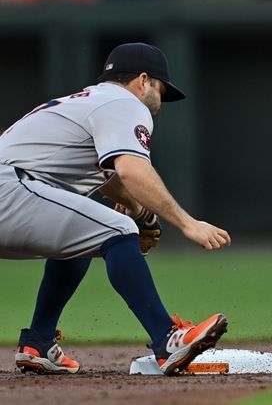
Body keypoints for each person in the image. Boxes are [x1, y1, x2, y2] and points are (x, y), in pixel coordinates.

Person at [0, 42, 231, 375]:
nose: (159, 104)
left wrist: (141, 211)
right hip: (11, 189)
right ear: (142, 80)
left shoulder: (89, 102)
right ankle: (168, 339)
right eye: (160, 91)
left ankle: (38, 340)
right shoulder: (125, 102)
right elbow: (131, 169)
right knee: (119, 230)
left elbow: (109, 176)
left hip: (14, 190)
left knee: (80, 235)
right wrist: (187, 223)